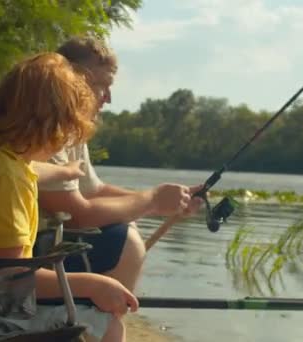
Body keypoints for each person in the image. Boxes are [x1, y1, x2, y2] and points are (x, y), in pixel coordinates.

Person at [0, 52, 138, 342]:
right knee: (106, 325)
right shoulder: (6, 180)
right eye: (67, 131)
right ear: (47, 125)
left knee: (84, 308)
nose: (64, 142)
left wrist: (65, 172)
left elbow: (32, 171)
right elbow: (12, 276)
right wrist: (92, 285)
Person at [38, 36, 204, 291]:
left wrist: (168, 201)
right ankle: (95, 322)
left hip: (35, 248)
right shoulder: (42, 128)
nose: (109, 98)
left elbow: (94, 191)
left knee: (124, 223)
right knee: (124, 240)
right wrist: (152, 200)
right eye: (103, 85)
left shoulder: (70, 129)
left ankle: (98, 320)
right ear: (72, 80)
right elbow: (78, 216)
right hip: (14, 263)